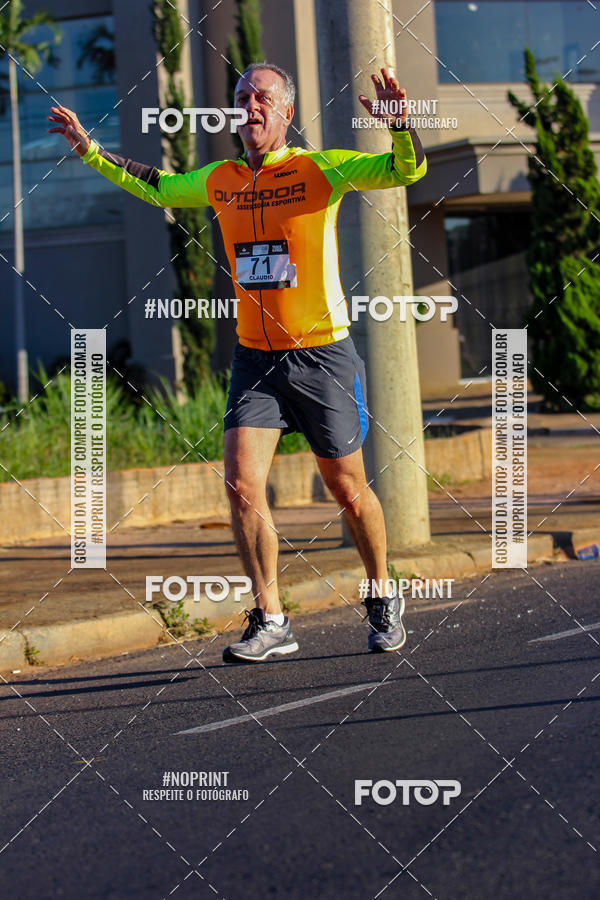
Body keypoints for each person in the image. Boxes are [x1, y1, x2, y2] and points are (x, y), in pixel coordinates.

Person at [48, 62, 427, 663]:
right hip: (256, 358)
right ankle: (271, 617)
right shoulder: (220, 179)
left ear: (287, 113)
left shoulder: (319, 169)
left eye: (264, 98)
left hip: (323, 353)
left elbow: (407, 170)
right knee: (241, 485)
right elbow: (156, 184)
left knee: (345, 485)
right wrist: (90, 150)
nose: (251, 106)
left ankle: (383, 591)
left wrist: (400, 125)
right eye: (242, 96)